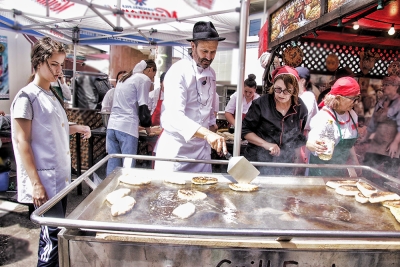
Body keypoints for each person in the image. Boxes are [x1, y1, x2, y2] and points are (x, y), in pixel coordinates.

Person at [10, 37, 91, 267]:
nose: (59, 70)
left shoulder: (50, 95)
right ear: (38, 62)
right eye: (53, 64)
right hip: (44, 182)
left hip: (58, 180)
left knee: (54, 236)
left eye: (61, 64)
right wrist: (36, 184)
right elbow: (22, 141)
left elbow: (56, 128)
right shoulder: (27, 97)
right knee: (51, 240)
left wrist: (79, 127)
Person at [154, 21, 227, 173]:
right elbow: (175, 117)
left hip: (201, 152)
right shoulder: (178, 71)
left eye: (213, 52)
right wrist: (207, 134)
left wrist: (213, 127)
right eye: (204, 51)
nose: (208, 57)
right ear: (193, 46)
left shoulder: (212, 74)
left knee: (204, 194)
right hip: (177, 152)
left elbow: (210, 107)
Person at [241, 66, 308, 175]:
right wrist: (266, 144)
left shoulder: (300, 108)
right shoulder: (261, 104)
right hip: (257, 162)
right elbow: (245, 131)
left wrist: (297, 160)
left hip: (285, 164)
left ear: (294, 90)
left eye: (287, 91)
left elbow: (297, 137)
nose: (281, 94)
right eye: (278, 89)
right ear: (273, 86)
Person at [106, 60, 155, 175]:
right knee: (127, 167)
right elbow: (143, 106)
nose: (152, 79)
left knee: (113, 165)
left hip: (112, 126)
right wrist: (148, 130)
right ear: (150, 70)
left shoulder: (124, 78)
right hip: (127, 128)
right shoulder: (143, 79)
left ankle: (108, 191)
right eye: (154, 74)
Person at [306, 77, 361, 177]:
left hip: (340, 171)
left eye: (357, 99)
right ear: (338, 98)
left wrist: (355, 162)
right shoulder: (324, 117)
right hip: (320, 172)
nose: (355, 102)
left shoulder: (353, 116)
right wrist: (314, 146)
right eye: (353, 99)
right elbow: (310, 142)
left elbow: (349, 145)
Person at [361, 76, 400, 185]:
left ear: (395, 87)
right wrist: (365, 137)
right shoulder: (381, 102)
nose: (384, 87)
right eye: (384, 84)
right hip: (376, 144)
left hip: (390, 146)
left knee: (389, 177)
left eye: (387, 85)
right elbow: (373, 123)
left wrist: (395, 143)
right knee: (367, 171)